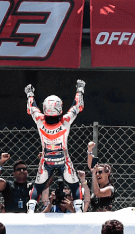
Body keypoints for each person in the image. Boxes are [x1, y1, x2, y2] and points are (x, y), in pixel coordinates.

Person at [25, 80, 86, 213]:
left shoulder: (40, 120)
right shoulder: (66, 121)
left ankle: (30, 210)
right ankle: (79, 211)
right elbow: (77, 106)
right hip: (63, 160)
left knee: (38, 186)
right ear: (59, 108)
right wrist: (79, 89)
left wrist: (30, 93)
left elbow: (32, 108)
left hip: (46, 160)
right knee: (75, 185)